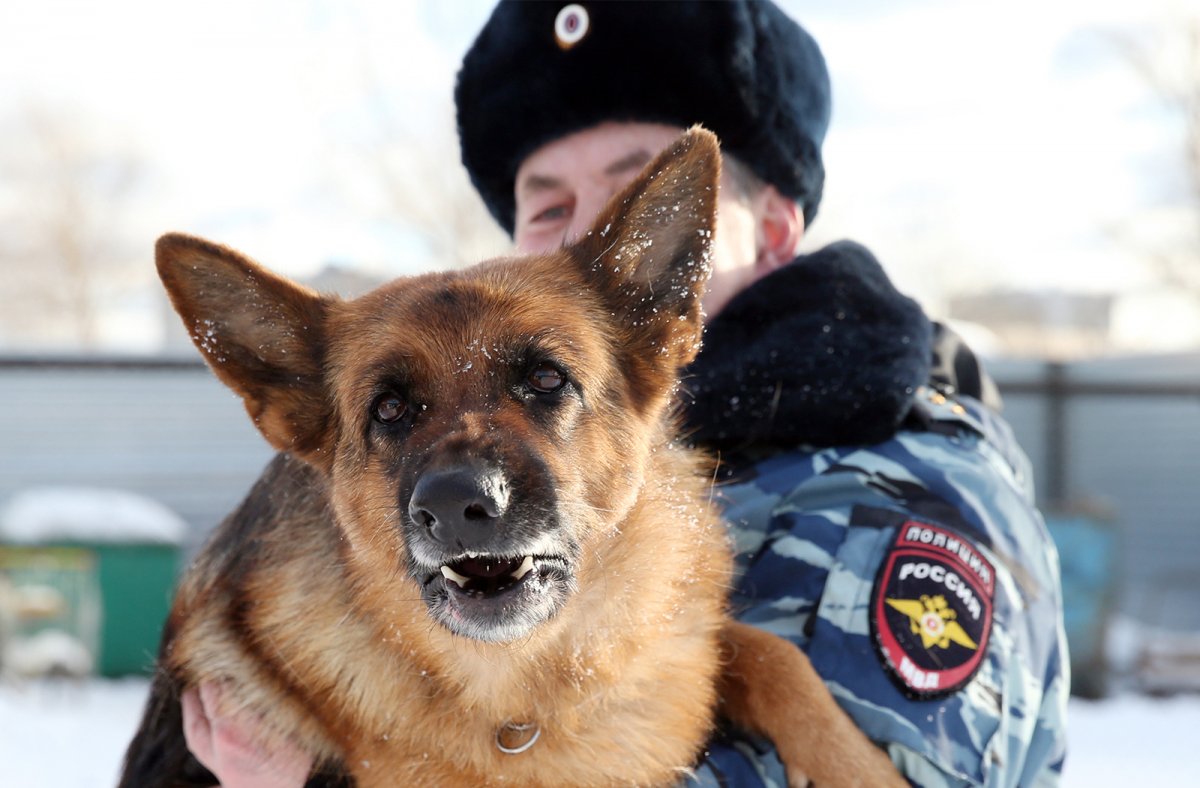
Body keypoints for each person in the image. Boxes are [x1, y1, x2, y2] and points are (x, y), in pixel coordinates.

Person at [184, 2, 1069, 785]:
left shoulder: (900, 493)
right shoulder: (623, 432)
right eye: (546, 203)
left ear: (769, 226)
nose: (586, 233)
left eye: (629, 185)